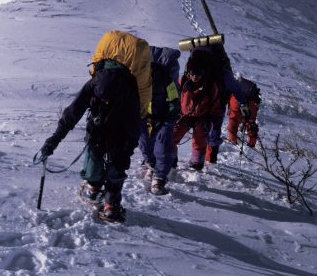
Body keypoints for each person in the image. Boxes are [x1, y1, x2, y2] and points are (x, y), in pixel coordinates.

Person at [38, 31, 150, 223]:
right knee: (112, 168)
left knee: (102, 166)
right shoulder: (125, 88)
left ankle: (100, 194)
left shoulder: (98, 84)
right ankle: (108, 202)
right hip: (113, 135)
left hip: (105, 135)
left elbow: (73, 113)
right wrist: (131, 144)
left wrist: (54, 139)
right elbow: (136, 119)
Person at [188, 44, 247, 164]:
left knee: (199, 132)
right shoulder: (222, 73)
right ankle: (210, 160)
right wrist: (243, 105)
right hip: (217, 106)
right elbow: (236, 89)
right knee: (213, 131)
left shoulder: (192, 69)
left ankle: (197, 161)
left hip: (197, 106)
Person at [139, 46, 181, 195]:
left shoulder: (165, 78)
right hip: (144, 118)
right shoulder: (136, 78)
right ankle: (152, 165)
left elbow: (174, 100)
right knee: (144, 145)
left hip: (163, 118)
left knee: (162, 147)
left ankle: (160, 177)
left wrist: (169, 120)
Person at [171, 50, 221, 171]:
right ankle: (171, 160)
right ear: (189, 71)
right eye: (193, 72)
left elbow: (216, 104)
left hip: (202, 118)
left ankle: (196, 164)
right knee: (171, 137)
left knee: (199, 142)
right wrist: (173, 112)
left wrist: (213, 120)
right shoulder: (183, 80)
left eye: (198, 73)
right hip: (184, 116)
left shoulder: (210, 85)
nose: (195, 76)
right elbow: (175, 97)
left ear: (204, 73)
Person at [227, 74, 261, 147]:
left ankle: (232, 141)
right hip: (249, 103)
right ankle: (251, 143)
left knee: (234, 121)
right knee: (250, 122)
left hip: (236, 103)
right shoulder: (250, 96)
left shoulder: (233, 91)